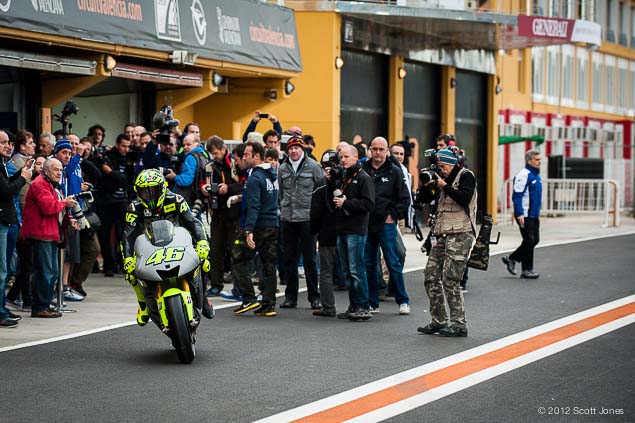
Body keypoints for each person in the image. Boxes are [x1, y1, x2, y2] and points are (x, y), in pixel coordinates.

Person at [120, 169, 213, 327]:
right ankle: (143, 306)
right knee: (131, 275)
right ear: (137, 192)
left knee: (203, 262)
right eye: (145, 191)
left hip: (178, 243)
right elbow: (128, 235)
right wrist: (128, 258)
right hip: (149, 248)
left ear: (163, 188)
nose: (149, 195)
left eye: (153, 190)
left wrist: (202, 242)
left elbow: (193, 222)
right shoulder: (134, 208)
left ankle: (202, 298)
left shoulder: (176, 200)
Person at [418, 147, 476, 337]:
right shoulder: (439, 177)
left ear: (451, 164)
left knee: (450, 279)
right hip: (441, 233)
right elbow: (422, 200)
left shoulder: (466, 176)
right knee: (430, 276)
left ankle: (459, 324)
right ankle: (438, 320)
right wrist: (426, 185)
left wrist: (444, 185)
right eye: (439, 167)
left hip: (461, 233)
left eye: (442, 166)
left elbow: (464, 199)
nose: (441, 170)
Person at [21, 158, 77, 319]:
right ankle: (40, 307)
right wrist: (64, 203)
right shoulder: (39, 184)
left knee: (52, 272)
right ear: (46, 170)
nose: (59, 172)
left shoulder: (51, 184)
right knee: (45, 272)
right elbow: (48, 207)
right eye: (55, 169)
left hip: (50, 233)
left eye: (60, 169)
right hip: (41, 234)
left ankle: (43, 304)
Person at [362, 137, 412, 315]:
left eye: (381, 149)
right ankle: (372, 302)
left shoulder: (394, 171)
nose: (377, 153)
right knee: (369, 263)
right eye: (374, 149)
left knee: (393, 262)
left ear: (386, 151)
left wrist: (393, 215)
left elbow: (405, 199)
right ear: (370, 150)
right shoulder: (363, 169)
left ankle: (403, 300)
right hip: (367, 224)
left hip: (386, 224)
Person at [231, 141, 279, 317]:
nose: (243, 157)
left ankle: (249, 298)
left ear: (256, 156)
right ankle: (268, 305)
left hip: (257, 226)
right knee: (268, 264)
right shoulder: (271, 175)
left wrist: (249, 230)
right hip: (273, 224)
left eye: (246, 155)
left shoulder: (255, 178)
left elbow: (254, 206)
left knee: (238, 258)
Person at [278, 136, 324, 310]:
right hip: (288, 219)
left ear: (302, 149)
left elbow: (320, 191)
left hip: (307, 219)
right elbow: (281, 194)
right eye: (291, 148)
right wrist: (283, 209)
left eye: (297, 148)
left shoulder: (313, 166)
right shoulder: (282, 169)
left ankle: (314, 297)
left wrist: (317, 215)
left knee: (310, 259)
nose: (294, 151)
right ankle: (291, 297)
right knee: (289, 259)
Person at [333, 144, 375, 321]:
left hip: (356, 230)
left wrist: (347, 203)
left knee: (357, 269)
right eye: (341, 157)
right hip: (342, 228)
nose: (343, 160)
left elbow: (369, 205)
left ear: (356, 157)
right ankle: (354, 304)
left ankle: (364, 305)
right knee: (347, 270)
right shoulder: (343, 177)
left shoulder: (364, 177)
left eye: (346, 157)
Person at [201, 136, 242, 297]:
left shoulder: (235, 164)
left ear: (224, 148)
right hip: (216, 212)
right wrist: (205, 189)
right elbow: (203, 184)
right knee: (216, 250)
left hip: (233, 212)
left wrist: (228, 188)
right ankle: (216, 284)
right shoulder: (210, 167)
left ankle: (238, 286)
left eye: (216, 153)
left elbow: (244, 184)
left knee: (235, 250)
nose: (215, 156)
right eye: (212, 154)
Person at [1, 130, 33, 327]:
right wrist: (22, 177)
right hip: (4, 221)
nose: (8, 146)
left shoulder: (4, 165)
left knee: (7, 269)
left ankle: (3, 308)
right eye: (3, 142)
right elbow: (6, 192)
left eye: (9, 142)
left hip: (8, 220)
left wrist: (21, 175)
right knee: (4, 269)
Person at [94, 133, 133, 276]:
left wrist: (111, 172)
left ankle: (123, 263)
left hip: (122, 200)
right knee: (104, 234)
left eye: (128, 146)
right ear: (117, 144)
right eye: (123, 146)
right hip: (106, 201)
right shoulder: (108, 156)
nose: (125, 149)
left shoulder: (130, 157)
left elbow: (127, 181)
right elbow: (100, 175)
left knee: (123, 233)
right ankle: (109, 265)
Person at [502, 149, 542, 279]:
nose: (539, 162)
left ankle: (512, 259)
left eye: (540, 159)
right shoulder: (523, 175)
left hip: (534, 214)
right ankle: (526, 269)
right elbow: (517, 196)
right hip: (524, 214)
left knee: (534, 240)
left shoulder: (536, 175)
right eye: (537, 160)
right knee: (529, 240)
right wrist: (519, 213)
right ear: (529, 160)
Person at [310, 150, 340, 317]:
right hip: (338, 233)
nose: (329, 169)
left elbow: (314, 213)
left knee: (328, 272)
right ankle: (359, 304)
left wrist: (313, 232)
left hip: (336, 233)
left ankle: (330, 307)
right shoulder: (346, 181)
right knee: (352, 270)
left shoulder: (323, 183)